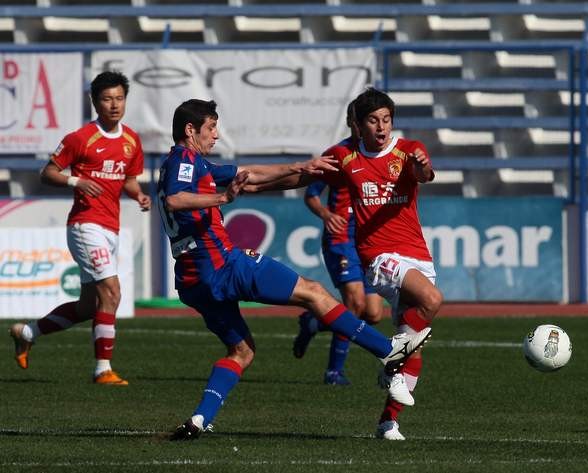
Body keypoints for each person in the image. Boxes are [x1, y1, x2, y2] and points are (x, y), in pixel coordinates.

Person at [156, 98, 432, 440]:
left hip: (192, 280)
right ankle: (388, 352)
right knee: (314, 292)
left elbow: (251, 178)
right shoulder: (184, 160)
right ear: (190, 130)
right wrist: (223, 199)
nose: (216, 135)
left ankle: (200, 418)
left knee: (242, 351)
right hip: (222, 265)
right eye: (211, 128)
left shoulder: (193, 164)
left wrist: (300, 168)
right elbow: (175, 199)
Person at [9, 71, 151, 385]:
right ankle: (103, 370)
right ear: (95, 102)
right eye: (107, 99)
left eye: (119, 98)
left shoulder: (131, 140)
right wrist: (77, 181)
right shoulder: (81, 138)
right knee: (111, 292)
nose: (114, 105)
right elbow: (48, 173)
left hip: (111, 227)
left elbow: (128, 180)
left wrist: (138, 195)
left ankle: (27, 332)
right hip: (85, 225)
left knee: (89, 306)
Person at [326, 88, 443, 440]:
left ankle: (388, 422)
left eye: (386, 120)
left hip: (417, 254)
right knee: (432, 300)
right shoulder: (344, 155)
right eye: (373, 120)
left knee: (414, 346)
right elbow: (306, 177)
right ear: (359, 125)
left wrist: (422, 167)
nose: (381, 127)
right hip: (378, 256)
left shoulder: (408, 150)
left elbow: (424, 172)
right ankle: (392, 355)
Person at [292, 102, 384, 386]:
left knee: (373, 313)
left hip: (369, 240)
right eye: (361, 121)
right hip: (341, 238)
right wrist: (326, 214)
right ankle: (334, 372)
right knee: (354, 303)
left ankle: (314, 322)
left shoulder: (382, 153)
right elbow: (311, 194)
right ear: (353, 123)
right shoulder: (337, 154)